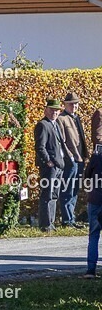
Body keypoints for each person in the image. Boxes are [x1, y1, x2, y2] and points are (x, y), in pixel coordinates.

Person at [57, 92, 89, 227]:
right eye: (71, 104)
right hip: (71, 160)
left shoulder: (76, 118)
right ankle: (67, 220)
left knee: (75, 189)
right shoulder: (61, 118)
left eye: (76, 103)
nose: (74, 106)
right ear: (65, 104)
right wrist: (70, 156)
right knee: (67, 189)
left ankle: (71, 218)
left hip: (79, 158)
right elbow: (62, 141)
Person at [35, 100, 67, 232]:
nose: (55, 112)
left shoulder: (55, 124)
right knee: (47, 195)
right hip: (50, 166)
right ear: (46, 110)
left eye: (57, 110)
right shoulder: (43, 125)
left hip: (58, 165)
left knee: (54, 195)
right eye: (52, 110)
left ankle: (51, 223)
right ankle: (45, 224)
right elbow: (40, 147)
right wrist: (48, 161)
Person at [84, 144, 102, 276]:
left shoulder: (96, 157)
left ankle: (91, 269)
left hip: (96, 198)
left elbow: (87, 176)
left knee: (94, 235)